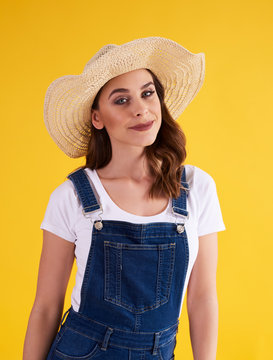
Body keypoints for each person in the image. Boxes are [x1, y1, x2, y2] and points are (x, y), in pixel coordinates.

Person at [23, 37, 226, 360]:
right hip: (82, 352)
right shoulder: (71, 197)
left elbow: (202, 297)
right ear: (97, 118)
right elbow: (47, 307)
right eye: (121, 100)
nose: (140, 109)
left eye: (147, 93)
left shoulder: (196, 187)